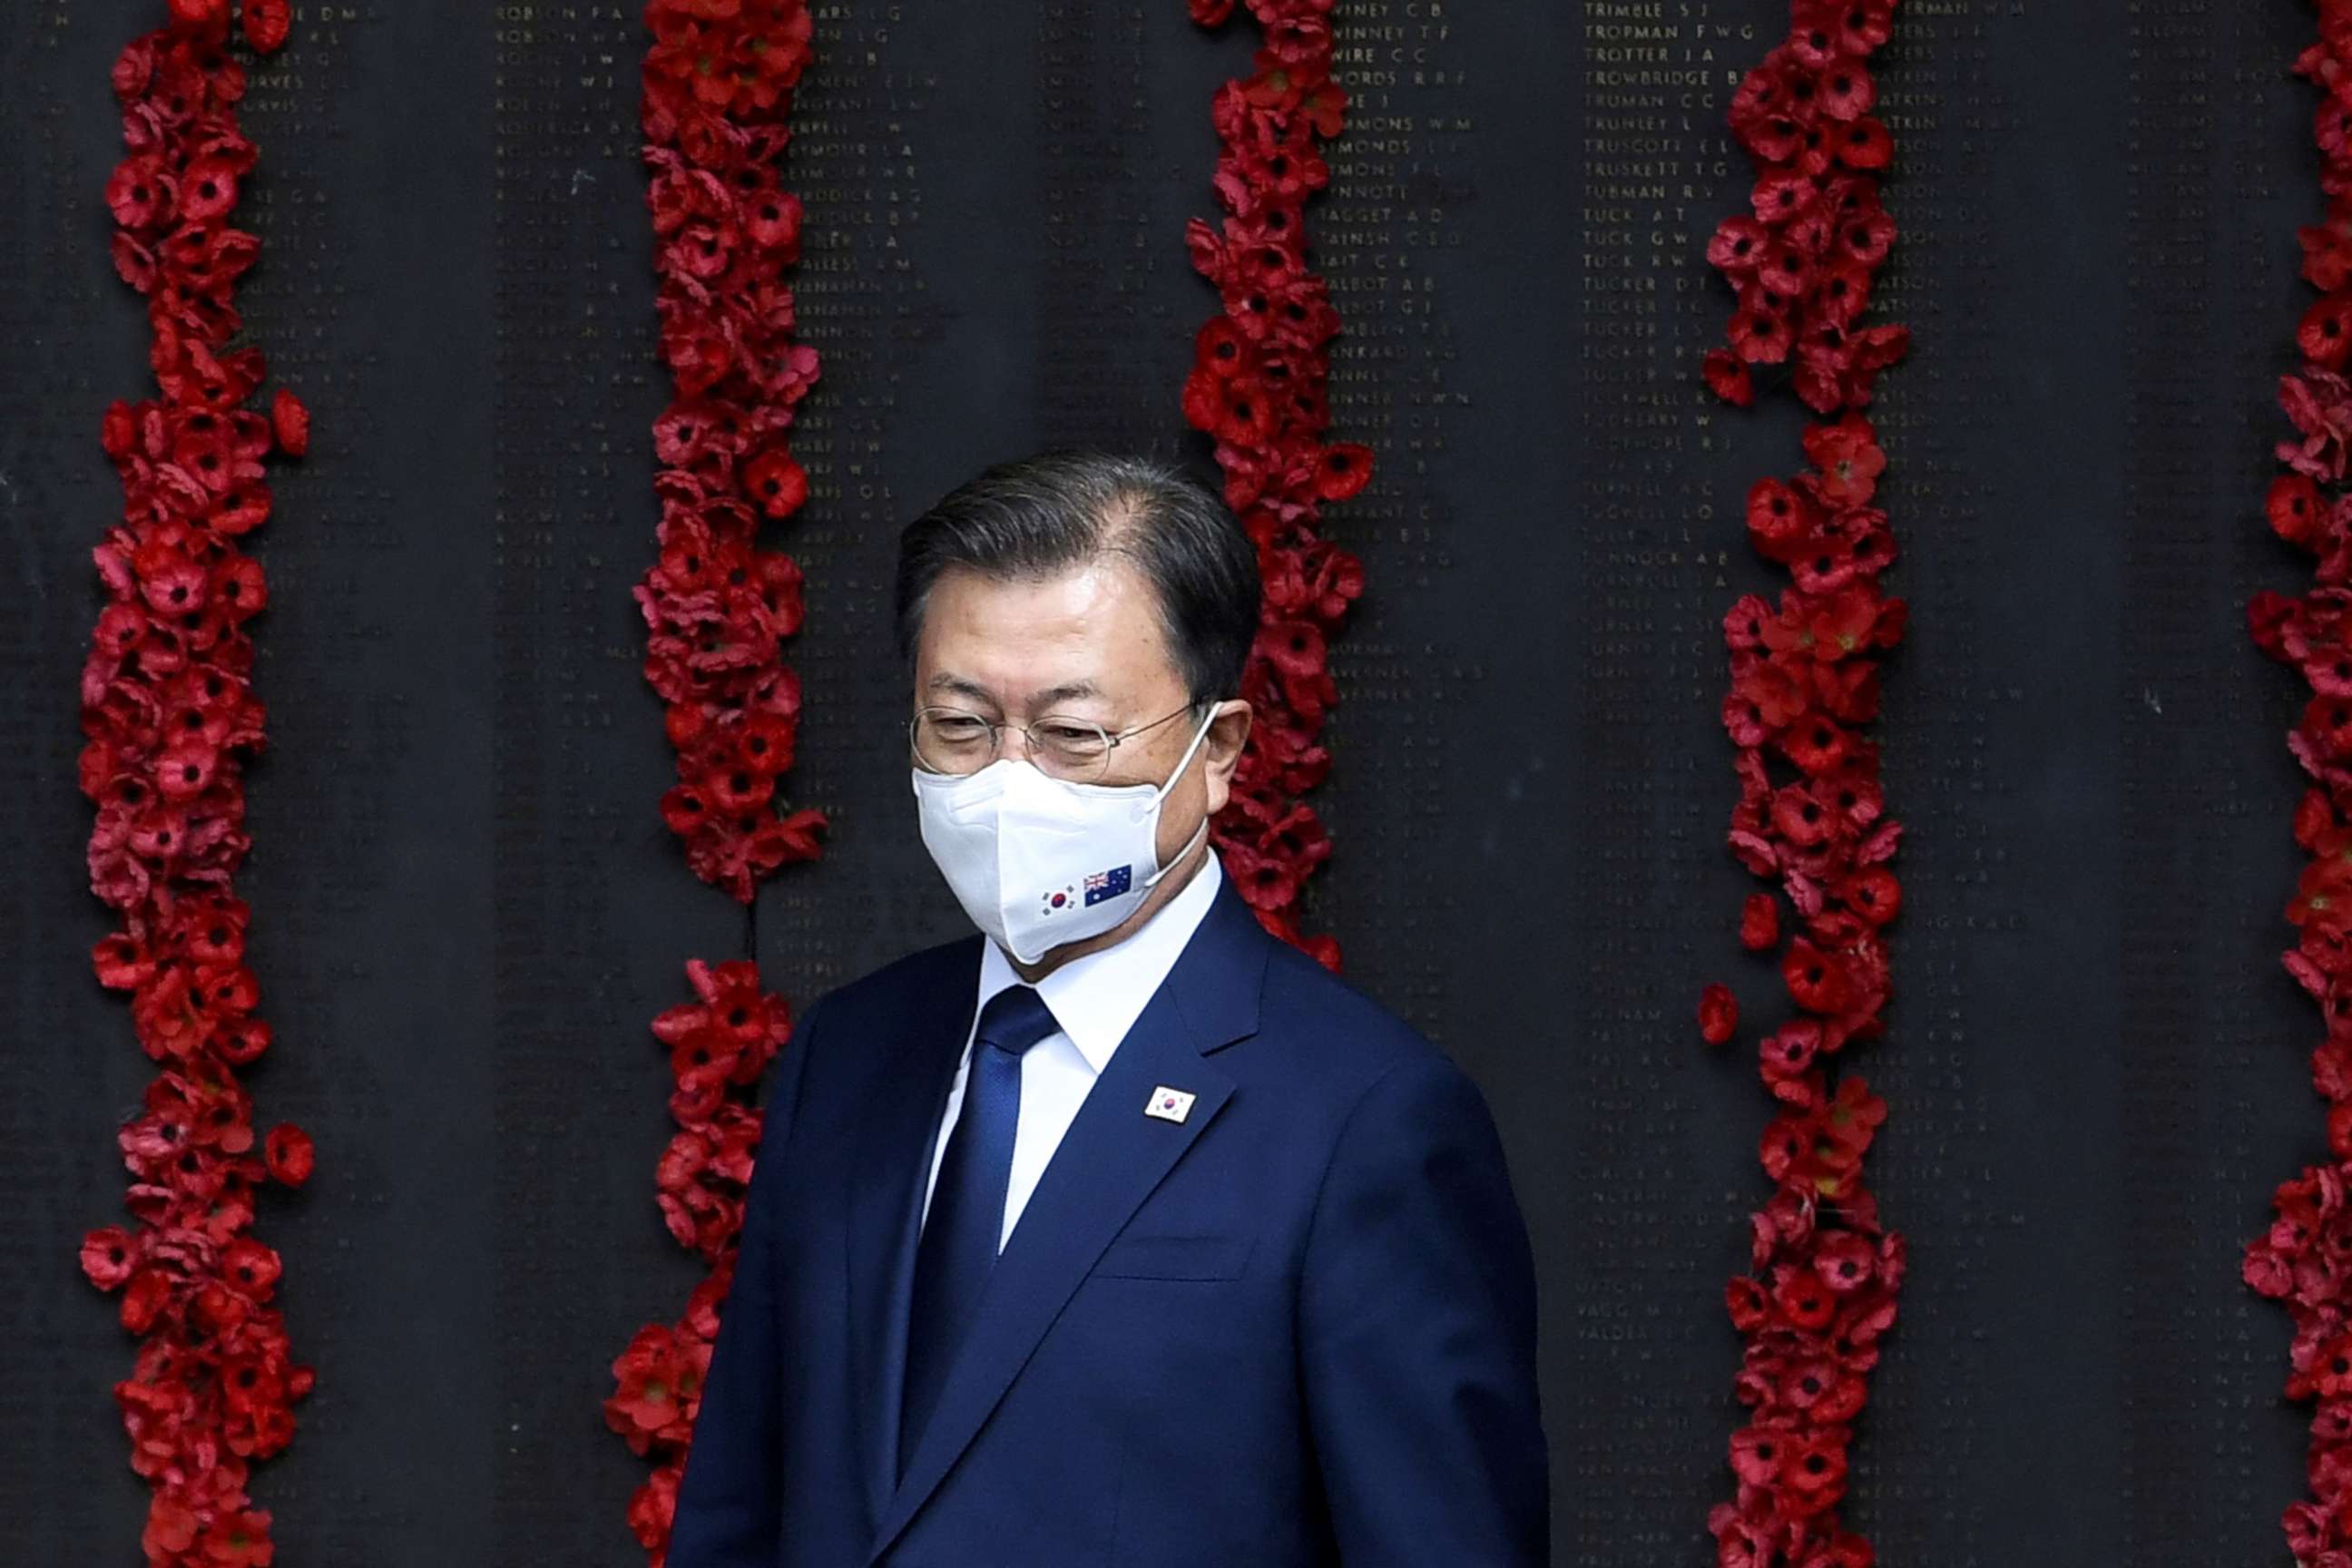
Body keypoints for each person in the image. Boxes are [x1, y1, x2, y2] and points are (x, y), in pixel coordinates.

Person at [665, 447, 1549, 1567]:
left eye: (1073, 736)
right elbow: (743, 1505)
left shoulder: (1361, 1120)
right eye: (962, 725)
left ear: (1217, 748)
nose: (1008, 781)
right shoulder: (849, 1055)